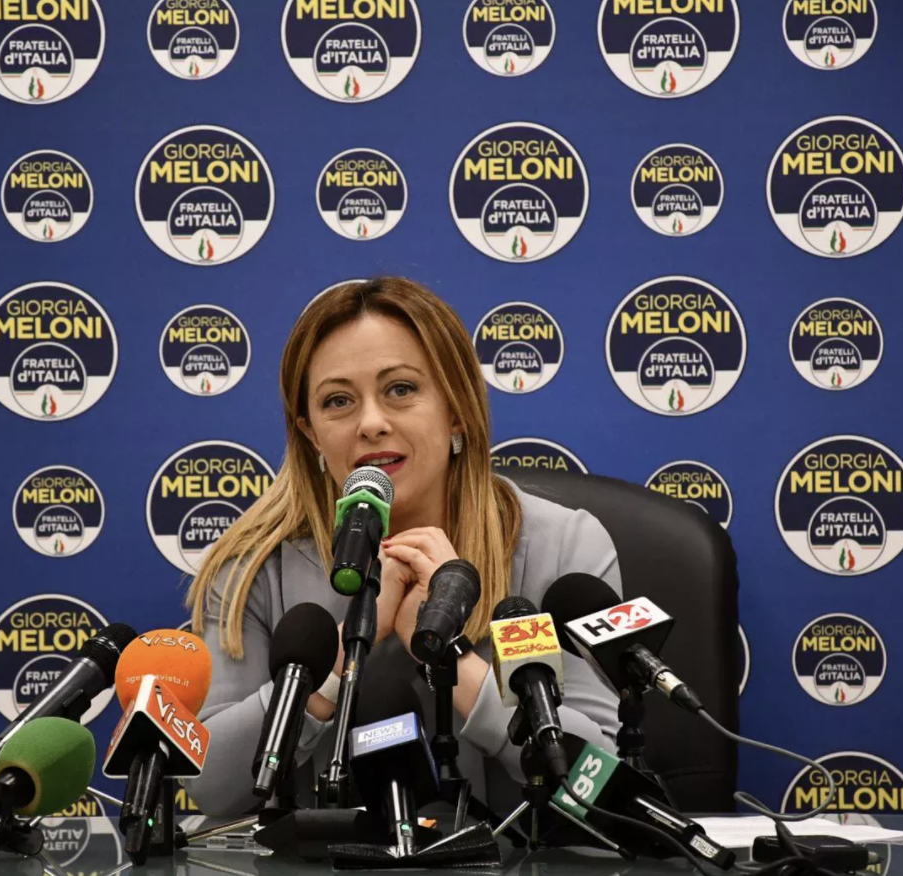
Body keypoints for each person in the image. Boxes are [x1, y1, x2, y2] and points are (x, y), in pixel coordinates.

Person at [182, 277, 623, 818]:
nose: (371, 423)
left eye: (400, 389)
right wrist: (339, 659)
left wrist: (449, 656)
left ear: (456, 409)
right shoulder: (253, 567)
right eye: (338, 401)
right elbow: (208, 785)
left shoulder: (564, 547)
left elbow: (604, 779)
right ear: (311, 433)